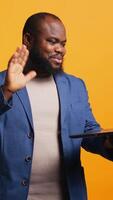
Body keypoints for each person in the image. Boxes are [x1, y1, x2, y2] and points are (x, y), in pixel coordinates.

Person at [0, 12, 113, 200]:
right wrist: (7, 91)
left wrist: (109, 142)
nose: (61, 50)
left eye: (63, 43)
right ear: (28, 40)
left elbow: (88, 132)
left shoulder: (75, 86)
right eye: (52, 42)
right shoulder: (3, 84)